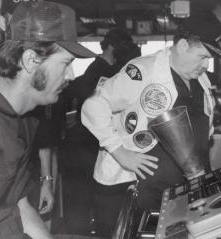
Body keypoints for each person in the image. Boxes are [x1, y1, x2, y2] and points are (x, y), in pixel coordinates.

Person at [81, 9, 221, 213]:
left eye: (209, 58)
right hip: (142, 190)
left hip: (186, 187)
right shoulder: (143, 71)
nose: (206, 64)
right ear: (183, 46)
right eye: (202, 56)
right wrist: (119, 152)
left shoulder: (200, 79)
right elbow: (93, 106)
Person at [0, 1, 96, 239]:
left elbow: (18, 205)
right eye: (66, 64)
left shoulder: (23, 119)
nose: (70, 76)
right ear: (30, 61)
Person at [61, 29, 141, 237]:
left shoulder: (105, 69)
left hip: (89, 145)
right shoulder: (100, 71)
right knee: (80, 204)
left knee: (89, 201)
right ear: (113, 46)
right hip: (83, 147)